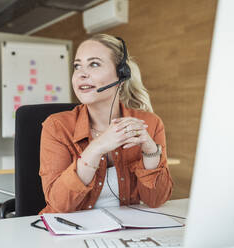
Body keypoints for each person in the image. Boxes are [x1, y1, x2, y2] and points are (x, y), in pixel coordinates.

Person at [39, 34, 173, 214]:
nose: (81, 74)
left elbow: (156, 200)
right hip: (71, 232)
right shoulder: (56, 126)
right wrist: (96, 148)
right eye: (77, 66)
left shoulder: (149, 123)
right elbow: (60, 205)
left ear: (121, 74)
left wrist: (150, 151)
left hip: (124, 231)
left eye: (94, 64)